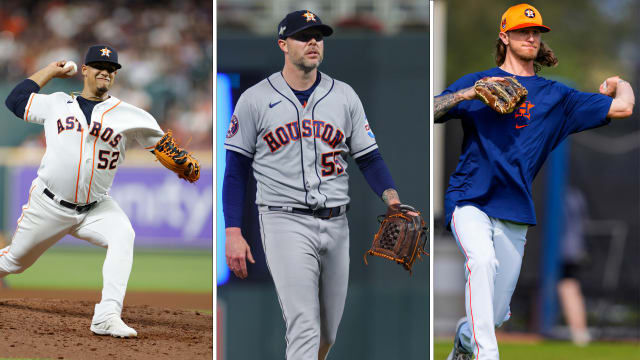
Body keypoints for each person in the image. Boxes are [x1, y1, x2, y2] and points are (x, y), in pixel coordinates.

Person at [434, 4, 634, 360]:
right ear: (504, 36)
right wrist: (468, 94)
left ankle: (465, 339)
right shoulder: (478, 82)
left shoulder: (556, 97)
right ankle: (485, 355)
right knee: (481, 262)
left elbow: (623, 108)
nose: (531, 37)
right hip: (470, 199)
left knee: (492, 315)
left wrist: (620, 82)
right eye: (523, 31)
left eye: (536, 32)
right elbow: (429, 110)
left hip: (514, 207)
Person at [223, 10, 411, 359]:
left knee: (327, 332)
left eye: (318, 36)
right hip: (284, 220)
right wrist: (232, 230)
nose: (313, 42)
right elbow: (235, 170)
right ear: (283, 44)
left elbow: (368, 157)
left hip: (337, 223)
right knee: (304, 326)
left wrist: (392, 199)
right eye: (303, 36)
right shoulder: (255, 99)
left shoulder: (344, 96)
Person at [0, 44, 199, 338]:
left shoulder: (130, 115)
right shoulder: (56, 103)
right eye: (99, 66)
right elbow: (15, 100)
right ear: (85, 70)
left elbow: (165, 149)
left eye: (111, 69)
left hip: (96, 207)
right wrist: (52, 71)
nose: (105, 72)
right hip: (49, 205)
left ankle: (106, 316)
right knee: (14, 262)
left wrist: (180, 161)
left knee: (123, 235)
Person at [557, 186, 591, 346]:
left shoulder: (562, 196)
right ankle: (580, 331)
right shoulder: (577, 195)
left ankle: (579, 333)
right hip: (576, 248)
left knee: (568, 287)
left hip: (563, 251)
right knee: (572, 287)